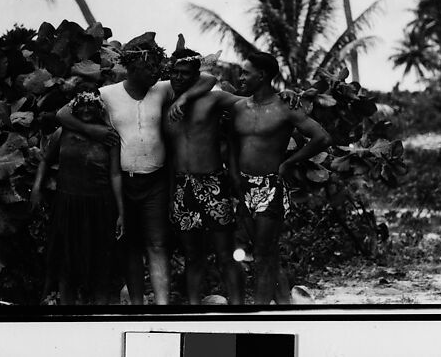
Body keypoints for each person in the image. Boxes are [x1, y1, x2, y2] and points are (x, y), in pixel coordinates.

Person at [56, 32, 216, 305]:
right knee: (130, 246)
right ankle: (138, 306)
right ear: (131, 67)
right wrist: (92, 130)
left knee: (157, 244)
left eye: (156, 66)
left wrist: (183, 99)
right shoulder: (106, 94)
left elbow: (209, 79)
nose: (155, 71)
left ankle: (163, 306)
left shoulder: (163, 89)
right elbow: (63, 114)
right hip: (123, 182)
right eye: (148, 67)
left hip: (155, 180)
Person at [229, 52, 331, 305]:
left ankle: (261, 313)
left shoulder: (285, 107)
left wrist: (289, 162)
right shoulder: (238, 107)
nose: (241, 77)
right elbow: (231, 143)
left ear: (262, 76)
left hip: (269, 186)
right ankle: (285, 304)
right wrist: (233, 174)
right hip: (242, 186)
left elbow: (322, 137)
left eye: (246, 73)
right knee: (266, 253)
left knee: (262, 254)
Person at [163, 48, 245, 305]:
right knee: (192, 256)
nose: (178, 77)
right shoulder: (162, 102)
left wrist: (283, 97)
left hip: (212, 184)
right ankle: (194, 309)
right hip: (181, 186)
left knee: (225, 253)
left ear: (195, 75)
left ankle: (238, 307)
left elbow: (249, 103)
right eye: (174, 72)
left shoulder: (213, 100)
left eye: (185, 73)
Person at [31, 91, 125, 305]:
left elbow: (115, 174)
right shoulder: (62, 133)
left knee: (100, 262)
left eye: (91, 106)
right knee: (66, 261)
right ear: (74, 108)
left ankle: (99, 312)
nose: (86, 110)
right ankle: (67, 310)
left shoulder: (109, 136)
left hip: (99, 205)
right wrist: (37, 188)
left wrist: (121, 212)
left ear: (99, 108)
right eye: (81, 105)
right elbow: (45, 161)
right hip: (68, 204)